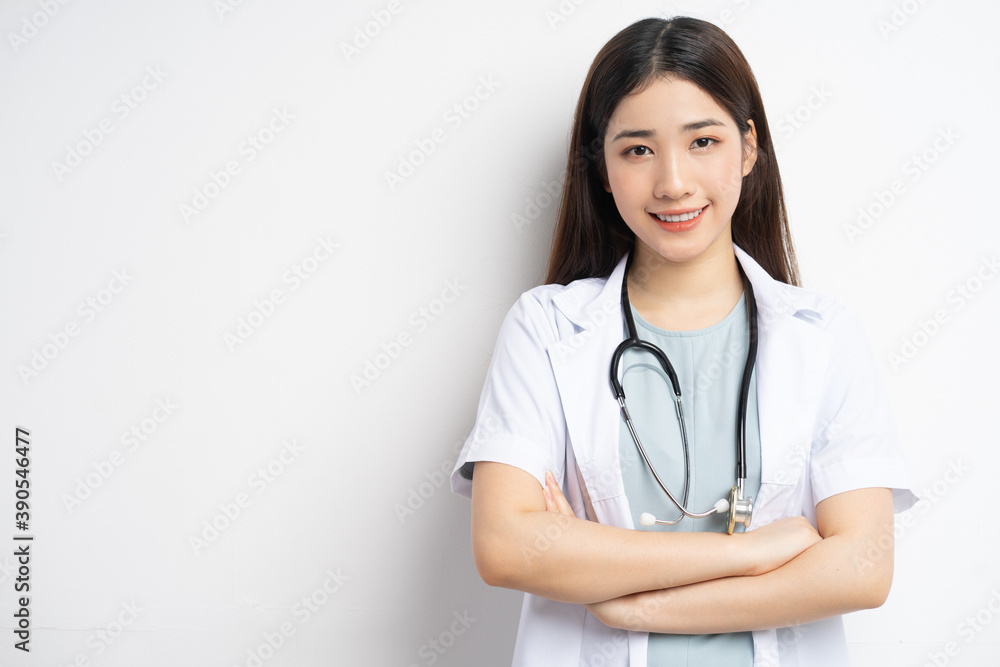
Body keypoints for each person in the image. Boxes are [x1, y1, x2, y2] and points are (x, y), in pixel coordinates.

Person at [450, 15, 915, 667]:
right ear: (603, 168)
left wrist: (627, 599)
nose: (672, 181)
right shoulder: (546, 328)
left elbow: (861, 567)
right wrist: (749, 549)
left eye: (703, 141)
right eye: (637, 149)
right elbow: (504, 545)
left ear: (749, 148)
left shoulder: (824, 336)